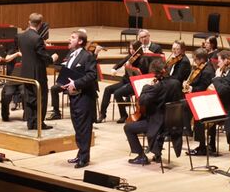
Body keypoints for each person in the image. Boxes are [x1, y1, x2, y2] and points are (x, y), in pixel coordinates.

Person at [124, 59, 182, 165]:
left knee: (128, 128)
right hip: (173, 123)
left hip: (159, 124)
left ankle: (141, 156)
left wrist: (147, 87)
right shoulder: (176, 83)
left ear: (156, 73)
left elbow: (142, 101)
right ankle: (157, 154)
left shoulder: (157, 87)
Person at [62, 30, 97, 169]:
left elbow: (92, 75)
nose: (69, 40)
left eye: (72, 37)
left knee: (84, 128)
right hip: (74, 96)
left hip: (85, 97)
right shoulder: (71, 54)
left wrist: (75, 84)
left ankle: (84, 158)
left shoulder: (87, 56)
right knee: (77, 127)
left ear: (80, 41)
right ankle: (80, 153)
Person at [17, 13, 57, 130]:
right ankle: (39, 123)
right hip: (37, 73)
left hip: (25, 71)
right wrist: (52, 59)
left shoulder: (21, 36)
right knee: (41, 97)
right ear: (40, 25)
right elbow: (43, 56)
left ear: (29, 22)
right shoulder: (38, 38)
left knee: (29, 98)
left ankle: (31, 123)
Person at [97, 40, 145, 124]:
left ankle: (123, 115)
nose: (131, 51)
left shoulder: (142, 59)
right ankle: (102, 114)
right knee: (108, 89)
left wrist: (131, 66)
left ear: (138, 49)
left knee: (117, 93)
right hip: (125, 82)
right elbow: (119, 64)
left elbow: (140, 73)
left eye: (133, 49)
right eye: (130, 48)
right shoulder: (130, 57)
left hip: (134, 84)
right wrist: (114, 69)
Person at [211, 51, 230, 184]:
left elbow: (222, 90)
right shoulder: (229, 74)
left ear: (227, 61)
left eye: (220, 60)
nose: (218, 63)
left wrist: (216, 78)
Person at [184, 49, 215, 156]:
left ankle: (201, 145)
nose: (194, 61)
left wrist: (191, 89)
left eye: (195, 59)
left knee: (185, 108)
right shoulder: (201, 68)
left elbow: (203, 88)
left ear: (202, 59)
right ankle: (187, 130)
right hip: (199, 98)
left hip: (205, 101)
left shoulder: (207, 71)